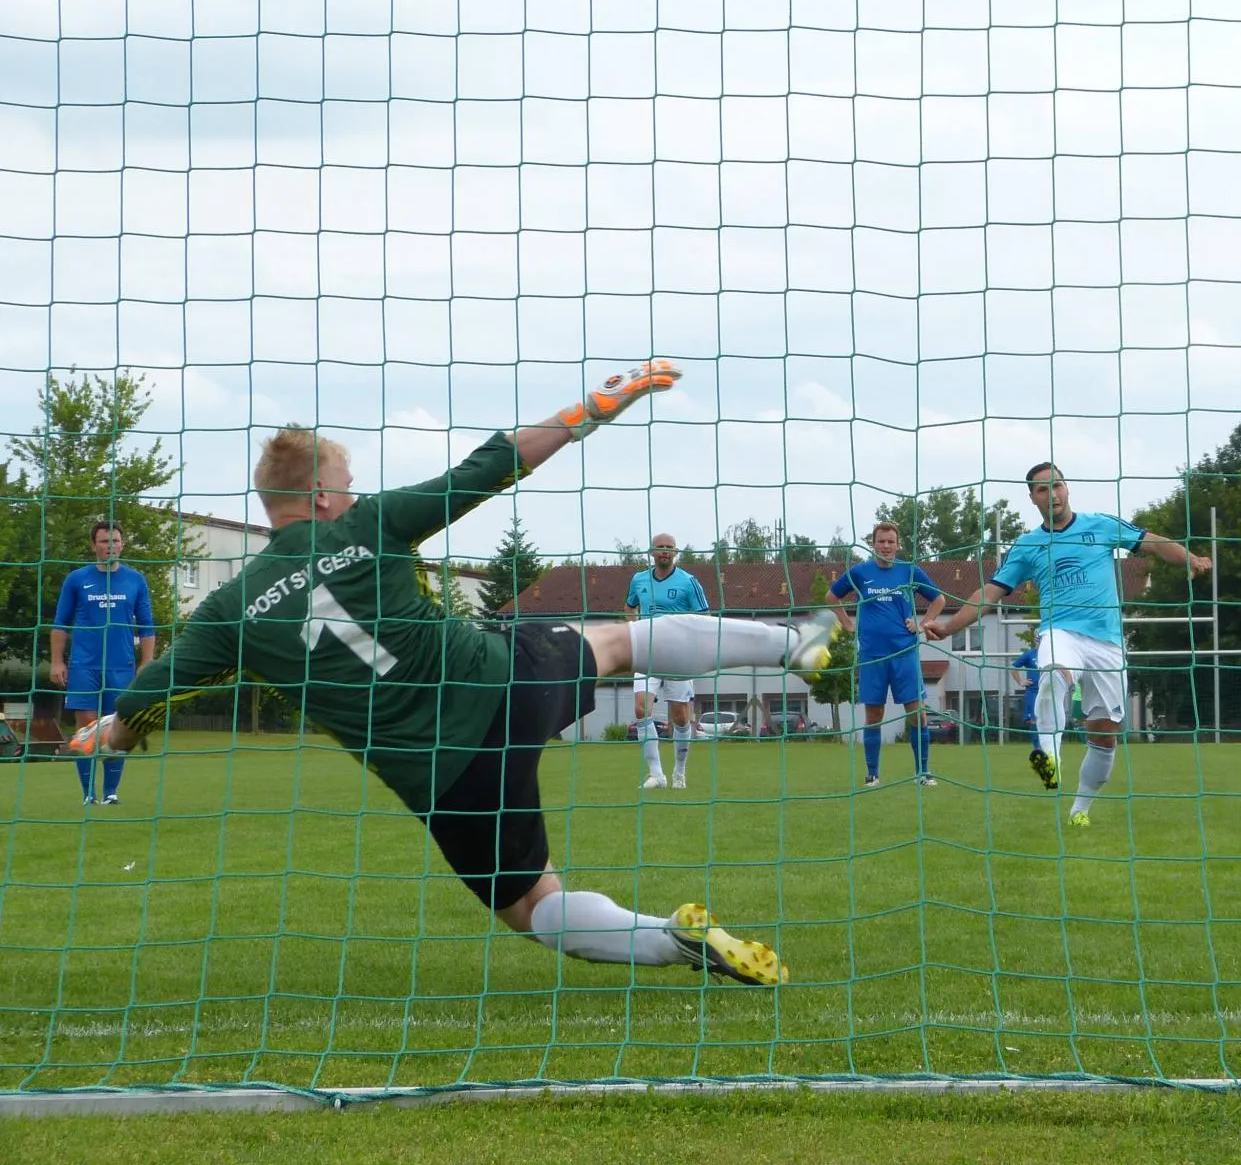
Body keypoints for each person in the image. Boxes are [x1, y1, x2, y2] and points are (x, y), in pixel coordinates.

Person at [69, 362, 835, 984]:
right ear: (324, 495)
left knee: (535, 908)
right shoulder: (369, 524)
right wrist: (589, 410)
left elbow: (153, 688)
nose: (355, 491)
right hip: (505, 683)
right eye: (347, 480)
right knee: (618, 642)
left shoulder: (232, 608)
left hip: (450, 780)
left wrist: (117, 732)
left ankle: (674, 940)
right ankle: (791, 643)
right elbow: (486, 468)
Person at [922, 463, 1209, 827]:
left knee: (1104, 736)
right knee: (1055, 671)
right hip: (1061, 631)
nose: (1052, 494)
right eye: (1042, 490)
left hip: (1107, 643)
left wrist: (1190, 558)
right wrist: (949, 628)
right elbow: (988, 594)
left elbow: (1152, 542)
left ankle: (1080, 810)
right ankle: (1048, 757)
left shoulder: (1100, 525)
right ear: (1032, 498)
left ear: (1067, 488)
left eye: (1056, 486)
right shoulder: (1027, 546)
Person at [829, 522, 943, 788]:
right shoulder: (860, 572)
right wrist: (847, 624)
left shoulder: (909, 571)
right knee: (873, 715)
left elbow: (939, 600)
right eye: (881, 541)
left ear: (898, 545)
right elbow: (831, 597)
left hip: (905, 653)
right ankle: (872, 775)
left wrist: (923, 624)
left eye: (891, 542)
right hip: (872, 656)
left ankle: (923, 773)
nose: (886, 546)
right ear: (873, 544)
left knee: (917, 714)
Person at [50, 521, 156, 806]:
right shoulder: (76, 579)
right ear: (93, 545)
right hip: (84, 666)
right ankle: (88, 794)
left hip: (121, 667)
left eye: (115, 541)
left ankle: (111, 793)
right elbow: (60, 624)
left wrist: (147, 662)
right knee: (86, 729)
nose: (110, 546)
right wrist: (57, 661)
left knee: (118, 729)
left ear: (122, 544)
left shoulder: (136, 579)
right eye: (104, 541)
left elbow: (147, 625)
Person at [623, 533, 706, 790]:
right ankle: (656, 775)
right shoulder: (638, 580)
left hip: (678, 657)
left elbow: (704, 617)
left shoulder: (688, 582)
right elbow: (629, 607)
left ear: (676, 552)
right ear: (651, 552)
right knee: (641, 709)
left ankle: (679, 771)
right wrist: (633, 631)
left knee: (680, 718)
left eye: (669, 547)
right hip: (647, 654)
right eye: (660, 547)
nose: (665, 551)